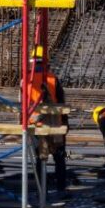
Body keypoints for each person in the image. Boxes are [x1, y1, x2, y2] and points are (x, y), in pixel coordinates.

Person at [27, 46, 67, 193]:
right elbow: (61, 103)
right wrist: (65, 124)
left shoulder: (25, 80)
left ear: (32, 63)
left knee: (40, 158)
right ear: (46, 63)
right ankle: (61, 188)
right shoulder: (52, 79)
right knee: (59, 157)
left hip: (35, 125)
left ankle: (41, 190)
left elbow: (22, 105)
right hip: (55, 125)